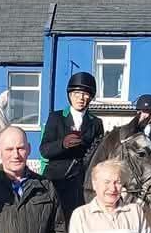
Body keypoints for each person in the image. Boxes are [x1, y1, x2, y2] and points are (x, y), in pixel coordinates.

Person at [40, 72, 105, 221]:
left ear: (91, 97)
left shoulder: (96, 123)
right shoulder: (55, 117)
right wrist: (62, 144)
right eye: (76, 93)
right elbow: (44, 150)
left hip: (82, 182)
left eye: (85, 94)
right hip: (57, 179)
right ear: (70, 95)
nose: (81, 98)